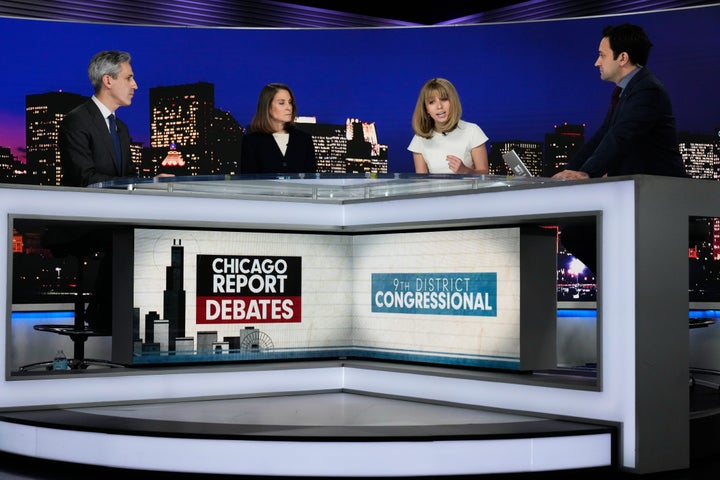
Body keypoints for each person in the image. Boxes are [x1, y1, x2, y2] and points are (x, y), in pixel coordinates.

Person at [552, 23, 688, 274]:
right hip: (636, 194)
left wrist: (588, 172)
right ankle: (621, 282)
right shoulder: (625, 91)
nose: (597, 62)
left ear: (622, 58)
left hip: (659, 198)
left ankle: (622, 283)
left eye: (602, 55)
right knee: (576, 231)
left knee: (577, 232)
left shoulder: (647, 90)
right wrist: (567, 172)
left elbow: (621, 137)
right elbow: (602, 136)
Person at [59, 50, 139, 187]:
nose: (135, 85)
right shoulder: (76, 121)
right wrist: (139, 184)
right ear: (108, 81)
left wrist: (151, 184)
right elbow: (84, 179)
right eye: (128, 78)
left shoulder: (121, 128)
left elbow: (129, 176)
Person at [408, 78, 489, 174]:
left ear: (453, 101)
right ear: (426, 109)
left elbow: (485, 174)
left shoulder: (472, 131)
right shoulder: (419, 138)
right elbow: (421, 180)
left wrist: (465, 171)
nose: (439, 106)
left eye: (444, 99)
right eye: (432, 102)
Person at [241, 83, 316, 174]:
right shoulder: (251, 141)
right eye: (281, 103)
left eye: (290, 102)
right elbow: (248, 179)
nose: (289, 107)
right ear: (267, 106)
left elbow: (311, 177)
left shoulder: (304, 139)